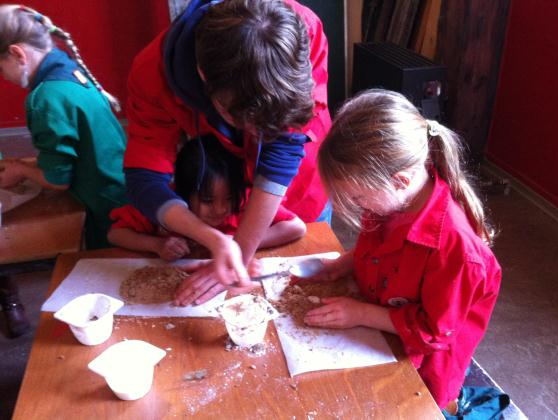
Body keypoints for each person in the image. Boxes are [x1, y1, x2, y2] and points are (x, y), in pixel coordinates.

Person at [299, 90, 503, 415]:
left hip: (423, 368)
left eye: (358, 198)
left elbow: (432, 333)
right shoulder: (392, 200)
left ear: (399, 180)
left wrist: (360, 314)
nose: (356, 207)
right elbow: (380, 248)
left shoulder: (459, 252)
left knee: (403, 409)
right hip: (380, 333)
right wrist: (346, 262)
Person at [123, 0, 331, 305]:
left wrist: (241, 249)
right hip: (234, 189)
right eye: (248, 122)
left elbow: (285, 148)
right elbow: (144, 178)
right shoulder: (151, 74)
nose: (258, 132)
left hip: (302, 182)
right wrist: (215, 239)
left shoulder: (302, 29)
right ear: (203, 76)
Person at [0, 5, 127, 338]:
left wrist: (20, 170)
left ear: (16, 54)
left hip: (105, 204)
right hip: (123, 180)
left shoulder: (45, 98)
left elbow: (58, 180)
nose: (4, 77)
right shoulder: (68, 71)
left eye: (1, 68)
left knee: (108, 272)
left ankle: (111, 325)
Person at [108, 135, 306, 260]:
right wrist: (157, 245)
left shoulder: (245, 200)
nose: (220, 209)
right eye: (207, 200)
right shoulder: (165, 203)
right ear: (182, 193)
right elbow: (115, 234)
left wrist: (238, 243)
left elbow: (297, 227)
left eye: (228, 198)